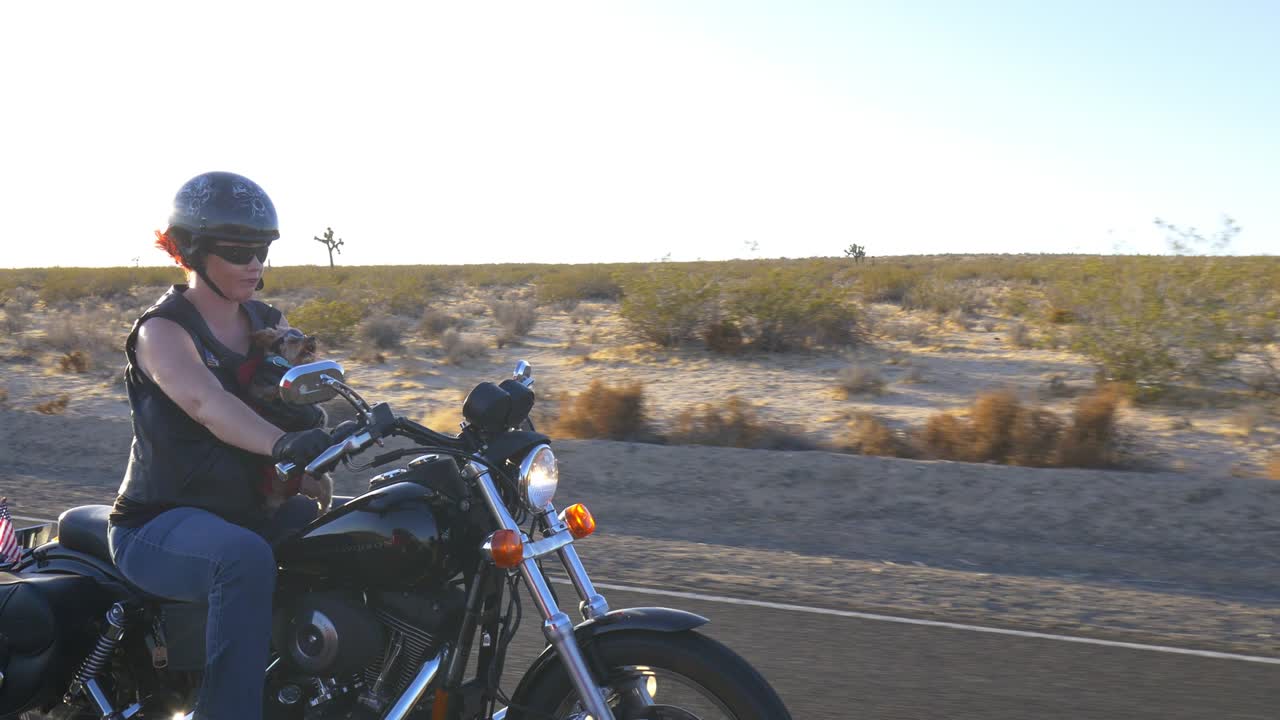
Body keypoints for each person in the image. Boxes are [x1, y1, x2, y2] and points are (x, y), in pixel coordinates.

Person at [107, 171, 332, 720]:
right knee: (242, 559)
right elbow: (209, 406)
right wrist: (285, 446)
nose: (255, 264)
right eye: (239, 252)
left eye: (262, 250)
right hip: (158, 522)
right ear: (193, 252)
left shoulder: (268, 321)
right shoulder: (162, 331)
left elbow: (302, 387)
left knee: (365, 534)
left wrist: (336, 425)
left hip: (247, 507)